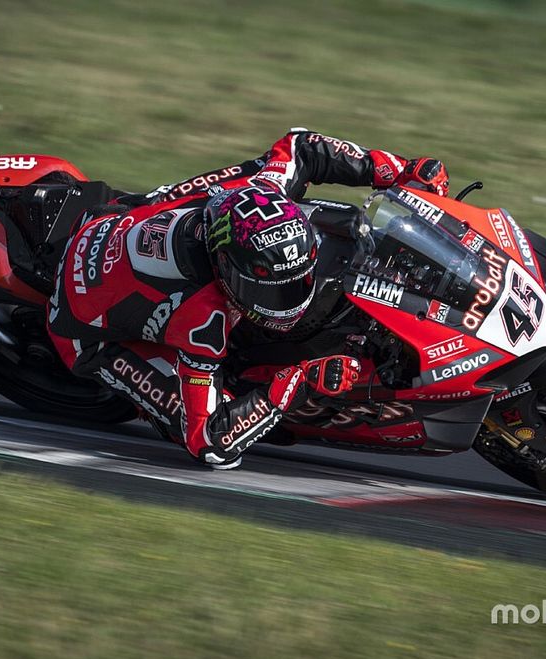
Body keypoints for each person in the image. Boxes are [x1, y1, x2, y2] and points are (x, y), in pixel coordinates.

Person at [46, 129, 449, 468]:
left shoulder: (262, 190)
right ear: (227, 269)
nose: (289, 299)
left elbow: (300, 145)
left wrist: (396, 169)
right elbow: (208, 441)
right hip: (87, 332)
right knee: (200, 425)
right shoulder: (203, 321)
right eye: (269, 289)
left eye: (295, 281)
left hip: (117, 217)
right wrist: (295, 382)